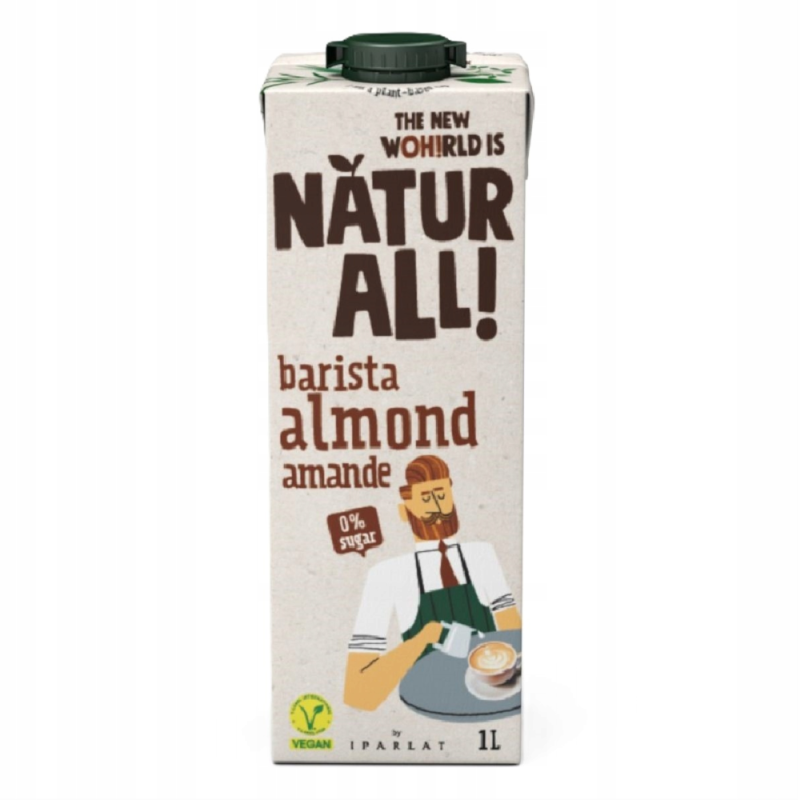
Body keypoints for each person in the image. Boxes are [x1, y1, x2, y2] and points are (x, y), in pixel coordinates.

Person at [344, 454, 521, 711]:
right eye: (426, 499)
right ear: (404, 511)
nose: (438, 508)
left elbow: (516, 642)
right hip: (431, 708)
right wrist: (425, 637)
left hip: (496, 701)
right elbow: (358, 694)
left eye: (442, 495)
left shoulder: (481, 556)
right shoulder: (385, 575)